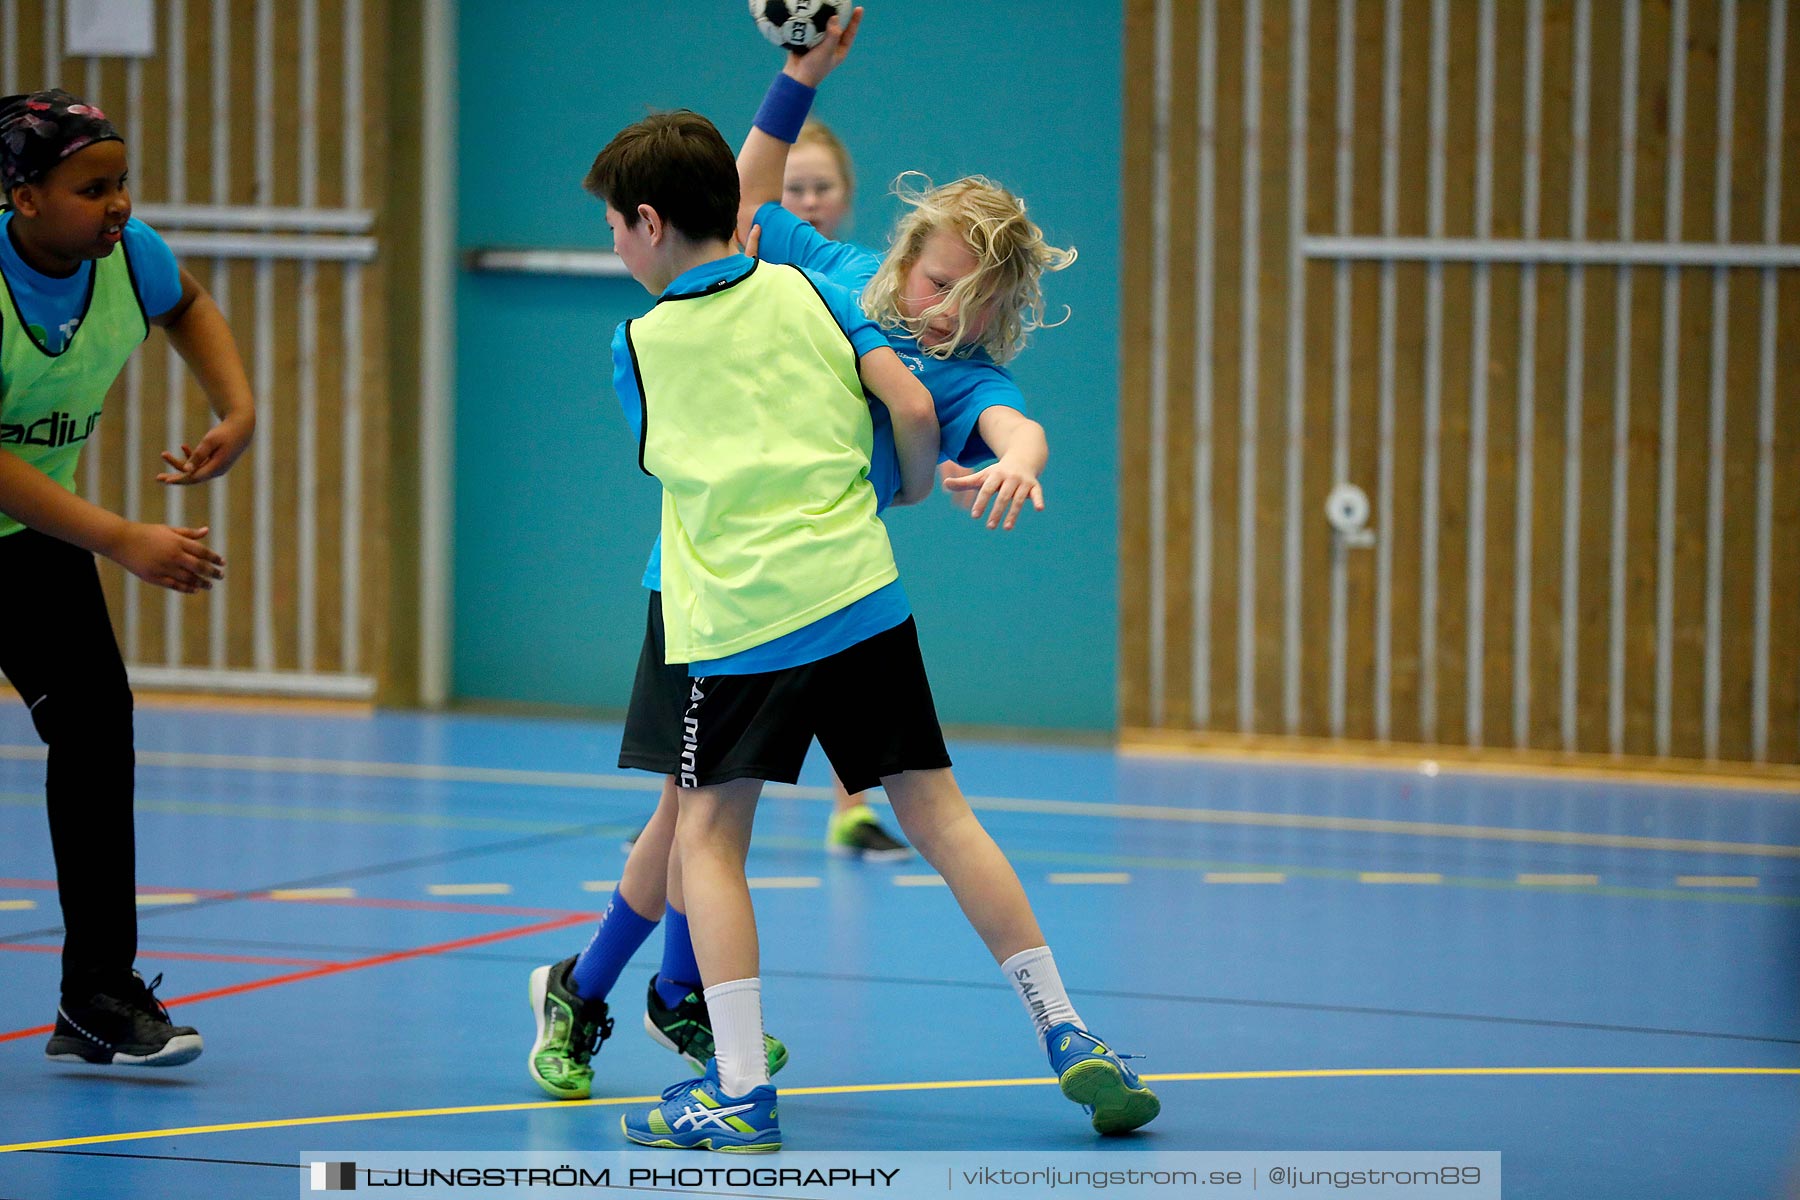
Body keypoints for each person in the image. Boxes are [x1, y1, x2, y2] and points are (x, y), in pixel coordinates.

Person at [0, 89, 256, 1068]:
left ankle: (96, 995)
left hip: (25, 542)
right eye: (91, 187)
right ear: (23, 197)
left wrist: (236, 409)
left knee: (97, 727)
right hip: (38, 518)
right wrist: (120, 538)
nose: (118, 205)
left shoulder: (130, 258)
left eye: (122, 184)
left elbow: (187, 302)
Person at [617, 114, 907, 862]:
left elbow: (917, 396)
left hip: (795, 567)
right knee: (693, 815)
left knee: (703, 825)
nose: (807, 201)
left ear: (846, 197)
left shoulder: (841, 289)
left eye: (823, 188)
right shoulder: (708, 315)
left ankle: (614, 977)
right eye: (794, 186)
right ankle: (607, 973)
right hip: (713, 578)